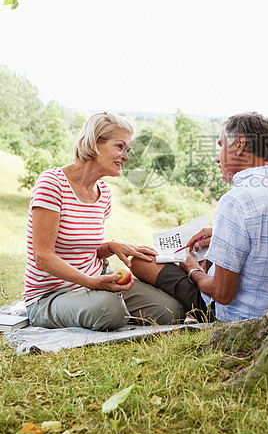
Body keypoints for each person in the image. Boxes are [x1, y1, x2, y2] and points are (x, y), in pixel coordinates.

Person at [24, 112, 185, 330]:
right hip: (51, 295)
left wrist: (110, 246)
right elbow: (42, 256)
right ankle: (106, 307)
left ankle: (106, 305)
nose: (126, 157)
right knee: (111, 311)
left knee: (170, 311)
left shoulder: (104, 193)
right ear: (94, 143)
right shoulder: (52, 184)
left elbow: (81, 248)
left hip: (97, 282)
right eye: (120, 147)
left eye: (128, 150)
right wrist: (91, 283)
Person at [130, 112, 268, 322]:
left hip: (239, 313)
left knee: (140, 262)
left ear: (240, 144)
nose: (217, 157)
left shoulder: (236, 200)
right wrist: (220, 234)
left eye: (221, 146)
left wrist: (193, 269)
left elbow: (223, 294)